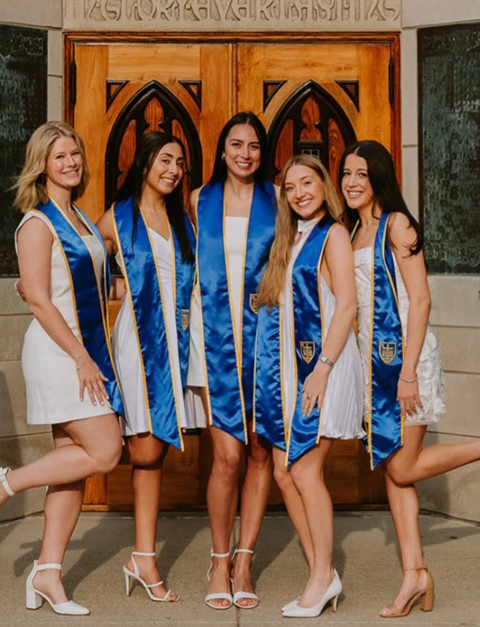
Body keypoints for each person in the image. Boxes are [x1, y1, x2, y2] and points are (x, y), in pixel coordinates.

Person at [339, 140, 480, 618]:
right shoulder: (353, 230)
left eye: (361, 173)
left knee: (402, 467)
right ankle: (415, 575)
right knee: (395, 476)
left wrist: (406, 373)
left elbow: (419, 301)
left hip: (405, 360)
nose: (352, 182)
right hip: (369, 364)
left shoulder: (397, 225)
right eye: (346, 173)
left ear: (378, 176)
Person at [0, 121, 124, 616]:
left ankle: (48, 573)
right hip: (61, 354)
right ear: (41, 165)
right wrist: (80, 356)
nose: (71, 162)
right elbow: (36, 296)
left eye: (75, 154)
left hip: (85, 350)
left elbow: (96, 284)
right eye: (60, 156)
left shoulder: (80, 220)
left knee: (71, 467)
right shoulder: (37, 222)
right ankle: (0, 486)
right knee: (106, 450)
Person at [254, 155, 364, 618]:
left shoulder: (333, 234)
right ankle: (323, 570)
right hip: (293, 373)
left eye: (308, 182)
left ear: (324, 185)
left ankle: (321, 576)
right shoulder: (291, 238)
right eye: (291, 186)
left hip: (325, 367)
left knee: (303, 472)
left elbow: (346, 307)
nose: (300, 192)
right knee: (283, 472)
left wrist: (322, 368)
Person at [96, 131, 196, 603]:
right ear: (144, 163)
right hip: (138, 340)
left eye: (179, 163)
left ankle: (143, 557)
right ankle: (144, 557)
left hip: (177, 340)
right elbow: (83, 274)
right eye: (165, 160)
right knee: (145, 447)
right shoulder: (116, 219)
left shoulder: (183, 219)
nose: (173, 170)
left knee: (153, 449)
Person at [188, 112, 276, 610]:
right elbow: (176, 262)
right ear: (222, 150)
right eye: (235, 145)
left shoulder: (280, 200)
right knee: (227, 456)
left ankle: (245, 561)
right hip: (215, 340)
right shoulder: (200, 200)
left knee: (261, 452)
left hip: (266, 342)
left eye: (254, 147)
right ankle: (218, 559)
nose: (245, 154)